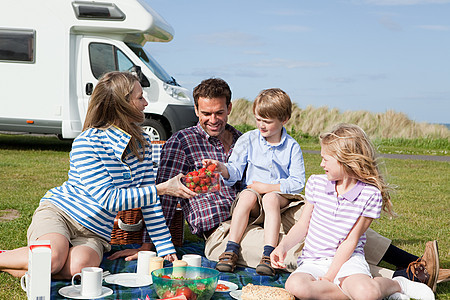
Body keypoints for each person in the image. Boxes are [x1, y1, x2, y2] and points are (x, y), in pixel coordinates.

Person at [155, 77, 441, 288]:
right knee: (302, 250)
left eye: (219, 112)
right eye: (206, 114)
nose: (213, 119)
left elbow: (274, 177)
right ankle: (407, 277)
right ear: (196, 111)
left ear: (229, 108)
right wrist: (152, 244)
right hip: (224, 228)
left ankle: (411, 259)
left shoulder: (247, 136)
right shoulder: (182, 142)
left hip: (270, 204)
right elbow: (165, 195)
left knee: (329, 216)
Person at [0, 71, 196, 279]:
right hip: (62, 215)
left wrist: (165, 248)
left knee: (80, 269)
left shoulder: (143, 144)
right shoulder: (88, 143)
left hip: (95, 232)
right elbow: (108, 199)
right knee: (52, 260)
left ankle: (32, 264)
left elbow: (149, 201)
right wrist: (163, 188)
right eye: (139, 97)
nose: (145, 103)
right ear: (122, 105)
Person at [270, 123, 434, 300]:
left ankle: (398, 284)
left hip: (348, 261)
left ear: (345, 160)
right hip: (312, 260)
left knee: (367, 294)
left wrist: (330, 277)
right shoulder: (316, 183)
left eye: (326, 159)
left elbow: (351, 240)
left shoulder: (370, 195)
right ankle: (362, 293)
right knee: (295, 286)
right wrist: (282, 247)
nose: (321, 164)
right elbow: (303, 225)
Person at [203, 88, 305, 276]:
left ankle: (268, 254)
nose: (261, 125)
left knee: (270, 199)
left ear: (284, 120)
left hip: (280, 199)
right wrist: (222, 168)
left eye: (267, 121)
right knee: (247, 195)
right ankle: (231, 249)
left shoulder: (292, 146)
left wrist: (268, 188)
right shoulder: (248, 139)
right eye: (258, 119)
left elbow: (298, 182)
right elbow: (234, 171)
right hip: (254, 197)